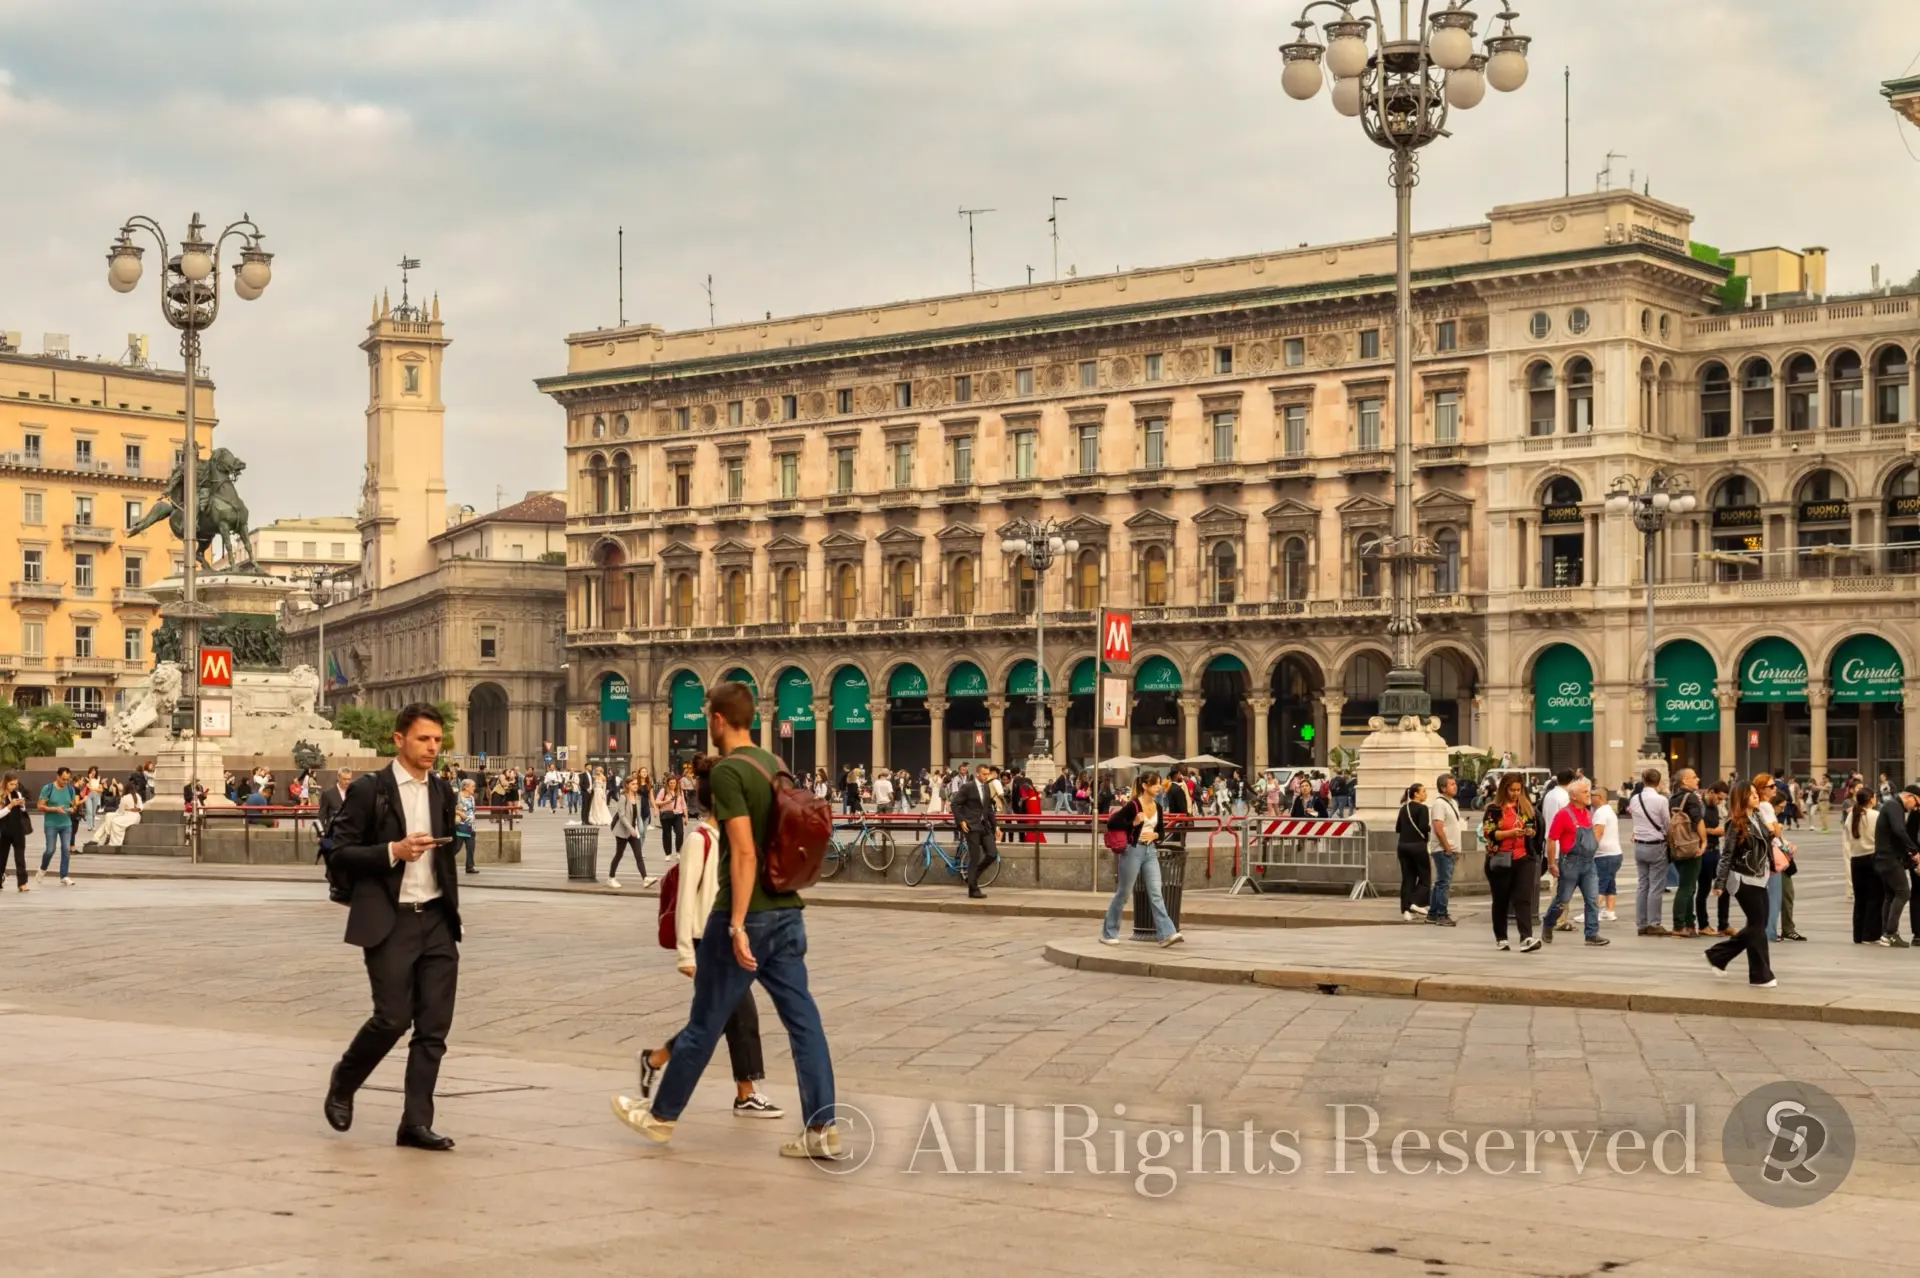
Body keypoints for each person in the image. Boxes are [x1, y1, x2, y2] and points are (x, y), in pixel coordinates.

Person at [614, 680, 840, 1159]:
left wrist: (736, 923)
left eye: (706, 717)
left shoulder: (730, 773)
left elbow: (741, 851)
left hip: (748, 914)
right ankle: (822, 1129)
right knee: (805, 1022)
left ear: (718, 720)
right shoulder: (773, 764)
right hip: (787, 912)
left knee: (704, 1021)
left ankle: (660, 1117)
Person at [323, 703, 464, 1151]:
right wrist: (393, 851)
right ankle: (345, 1080)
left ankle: (415, 1123)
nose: (432, 748)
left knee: (434, 1028)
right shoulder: (371, 790)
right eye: (424, 739)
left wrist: (440, 848)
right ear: (398, 739)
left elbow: (447, 852)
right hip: (391, 919)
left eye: (438, 741)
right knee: (392, 1019)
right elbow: (339, 850)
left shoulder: (442, 790)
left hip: (437, 917)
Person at [620, 755, 783, 1123]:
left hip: (729, 937)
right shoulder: (699, 839)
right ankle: (744, 1093)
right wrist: (684, 954)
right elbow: (685, 902)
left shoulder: (733, 838)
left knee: (716, 1019)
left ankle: (656, 1059)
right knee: (739, 1016)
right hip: (704, 941)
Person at [1705, 781, 1776, 987]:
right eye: (1751, 793)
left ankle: (1720, 956)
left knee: (1759, 925)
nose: (1755, 796)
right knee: (1757, 926)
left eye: (1756, 793)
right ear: (1741, 797)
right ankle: (1760, 975)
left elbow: (1766, 845)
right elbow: (1727, 854)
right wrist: (1719, 882)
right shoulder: (1735, 822)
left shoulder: (1757, 817)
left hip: (1760, 876)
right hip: (1743, 878)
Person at [1099, 772, 1181, 947]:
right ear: (1144, 786)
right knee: (1123, 893)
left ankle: (1167, 933)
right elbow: (1112, 823)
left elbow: (1162, 832)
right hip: (1132, 851)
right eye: (1155, 784)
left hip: (1150, 851)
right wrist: (1134, 823)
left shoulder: (1158, 807)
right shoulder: (1133, 805)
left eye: (1159, 784)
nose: (1158, 787)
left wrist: (1156, 834)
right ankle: (1108, 932)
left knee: (1156, 893)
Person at [1541, 778, 1608, 946]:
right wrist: (1551, 863)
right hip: (1570, 863)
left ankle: (1591, 934)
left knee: (1592, 900)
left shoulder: (1588, 813)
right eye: (1585, 792)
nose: (1589, 795)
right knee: (1562, 900)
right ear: (1574, 796)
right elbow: (1551, 839)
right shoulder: (1563, 814)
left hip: (1588, 863)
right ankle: (1548, 923)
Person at [1481, 773, 1540, 952]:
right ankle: (1501, 937)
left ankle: (1526, 937)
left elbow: (1532, 828)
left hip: (1523, 858)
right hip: (1501, 858)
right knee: (1501, 900)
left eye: (1518, 790)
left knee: (1523, 899)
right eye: (1512, 790)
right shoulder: (1494, 809)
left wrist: (1530, 833)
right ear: (1504, 789)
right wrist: (1509, 833)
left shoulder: (1526, 807)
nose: (1515, 793)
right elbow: (1489, 833)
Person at [1872, 785, 1920, 947]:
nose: (1916, 807)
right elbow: (1900, 831)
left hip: (1883, 858)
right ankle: (1890, 933)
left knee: (1891, 895)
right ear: (1909, 796)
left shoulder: (1893, 807)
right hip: (1889, 859)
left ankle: (1887, 933)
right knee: (1903, 893)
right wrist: (1914, 851)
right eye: (1917, 803)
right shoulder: (1894, 806)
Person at [1625, 769, 1671, 936]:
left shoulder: (1635, 799)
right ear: (1658, 782)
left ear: (1643, 780)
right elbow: (1667, 822)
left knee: (1642, 884)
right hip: (1656, 844)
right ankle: (1654, 923)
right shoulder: (1661, 800)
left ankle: (1641, 923)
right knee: (1656, 885)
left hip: (1639, 844)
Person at [1667, 768, 1707, 938]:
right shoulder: (1691, 797)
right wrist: (1703, 841)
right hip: (1691, 846)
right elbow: (1698, 820)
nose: (1697, 779)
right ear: (1684, 781)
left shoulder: (1673, 798)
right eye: (1694, 777)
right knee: (1686, 887)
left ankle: (1690, 923)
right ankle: (1679, 925)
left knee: (1688, 886)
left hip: (1677, 846)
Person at [951, 763, 998, 900]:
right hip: (971, 826)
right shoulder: (968, 787)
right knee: (975, 857)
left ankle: (972, 877)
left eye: (988, 774)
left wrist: (996, 826)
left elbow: (988, 809)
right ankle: (973, 889)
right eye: (984, 774)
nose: (986, 776)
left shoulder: (986, 787)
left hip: (984, 826)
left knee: (992, 853)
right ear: (977, 773)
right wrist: (961, 820)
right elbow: (954, 804)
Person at [1842, 787, 1882, 944]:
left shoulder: (1851, 815)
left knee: (1860, 899)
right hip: (1872, 858)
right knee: (1874, 898)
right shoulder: (1876, 815)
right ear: (1871, 799)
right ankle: (1870, 934)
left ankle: (1858, 934)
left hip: (1856, 860)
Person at [1695, 782, 1733, 937]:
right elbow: (1695, 827)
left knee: (1724, 886)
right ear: (1710, 792)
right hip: (1704, 852)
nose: (1719, 802)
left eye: (1722, 799)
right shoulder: (1699, 806)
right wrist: (1713, 831)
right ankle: (1703, 924)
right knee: (1703, 889)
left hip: (1716, 851)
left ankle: (1723, 924)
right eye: (1718, 798)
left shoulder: (1714, 807)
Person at [607, 773, 657, 890]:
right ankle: (611, 878)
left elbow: (637, 815)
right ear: (628, 785)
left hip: (633, 831)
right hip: (622, 831)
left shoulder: (638, 798)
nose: (636, 786)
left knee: (638, 855)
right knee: (619, 854)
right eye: (633, 784)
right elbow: (622, 816)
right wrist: (631, 829)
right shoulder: (623, 797)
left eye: (637, 784)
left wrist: (638, 828)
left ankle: (645, 879)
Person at [33, 765, 80, 887]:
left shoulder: (70, 789)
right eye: (63, 779)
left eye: (68, 779)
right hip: (51, 824)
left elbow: (74, 806)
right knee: (50, 850)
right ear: (57, 776)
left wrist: (72, 809)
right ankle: (42, 869)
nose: (65, 782)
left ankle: (64, 876)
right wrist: (54, 809)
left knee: (66, 849)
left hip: (66, 824)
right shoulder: (48, 788)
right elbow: (39, 806)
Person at [1394, 782, 1433, 922]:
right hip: (1417, 846)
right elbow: (1423, 826)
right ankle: (1414, 902)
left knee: (1408, 878)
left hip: (1403, 846)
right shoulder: (1423, 808)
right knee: (1425, 878)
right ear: (1416, 794)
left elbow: (1398, 828)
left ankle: (1406, 910)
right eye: (1423, 791)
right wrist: (1430, 828)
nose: (1425, 793)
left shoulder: (1404, 809)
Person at [0, 774, 29, 894]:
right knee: (1, 857)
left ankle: (22, 883)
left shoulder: (17, 794)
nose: (13, 786)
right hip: (3, 830)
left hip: (18, 830)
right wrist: (10, 806)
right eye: (11, 784)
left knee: (20, 857)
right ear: (5, 782)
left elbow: (23, 811)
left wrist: (22, 805)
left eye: (15, 784)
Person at [656, 775, 687, 863]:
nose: (672, 785)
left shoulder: (680, 791)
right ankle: (668, 854)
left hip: (678, 815)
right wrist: (667, 801)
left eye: (674, 783)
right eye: (671, 783)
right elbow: (657, 802)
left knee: (680, 833)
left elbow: (683, 804)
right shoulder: (663, 791)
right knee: (667, 834)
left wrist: (686, 817)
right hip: (666, 815)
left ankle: (678, 852)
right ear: (668, 783)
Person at [453, 778, 479, 875]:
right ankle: (443, 863)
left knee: (471, 847)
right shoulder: (457, 796)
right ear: (466, 787)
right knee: (456, 847)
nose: (474, 788)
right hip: (461, 825)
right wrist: (460, 813)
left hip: (471, 826)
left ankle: (470, 866)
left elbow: (473, 810)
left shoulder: (472, 798)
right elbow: (449, 808)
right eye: (473, 786)